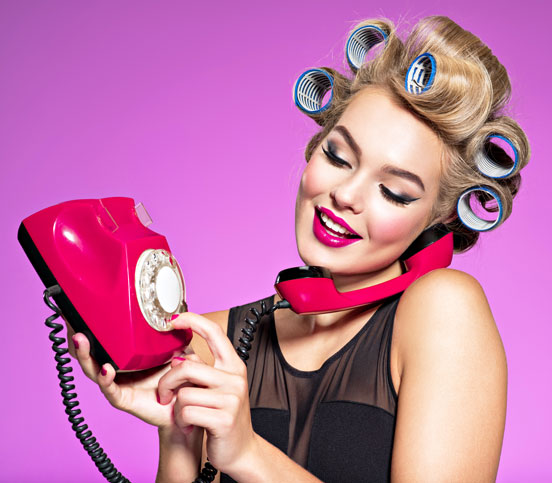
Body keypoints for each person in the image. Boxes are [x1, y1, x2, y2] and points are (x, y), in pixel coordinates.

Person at [69, 15, 529, 482]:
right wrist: (179, 433)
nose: (346, 195)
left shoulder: (444, 309)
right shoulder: (210, 345)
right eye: (338, 156)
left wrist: (248, 454)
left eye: (394, 192)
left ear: (442, 219)